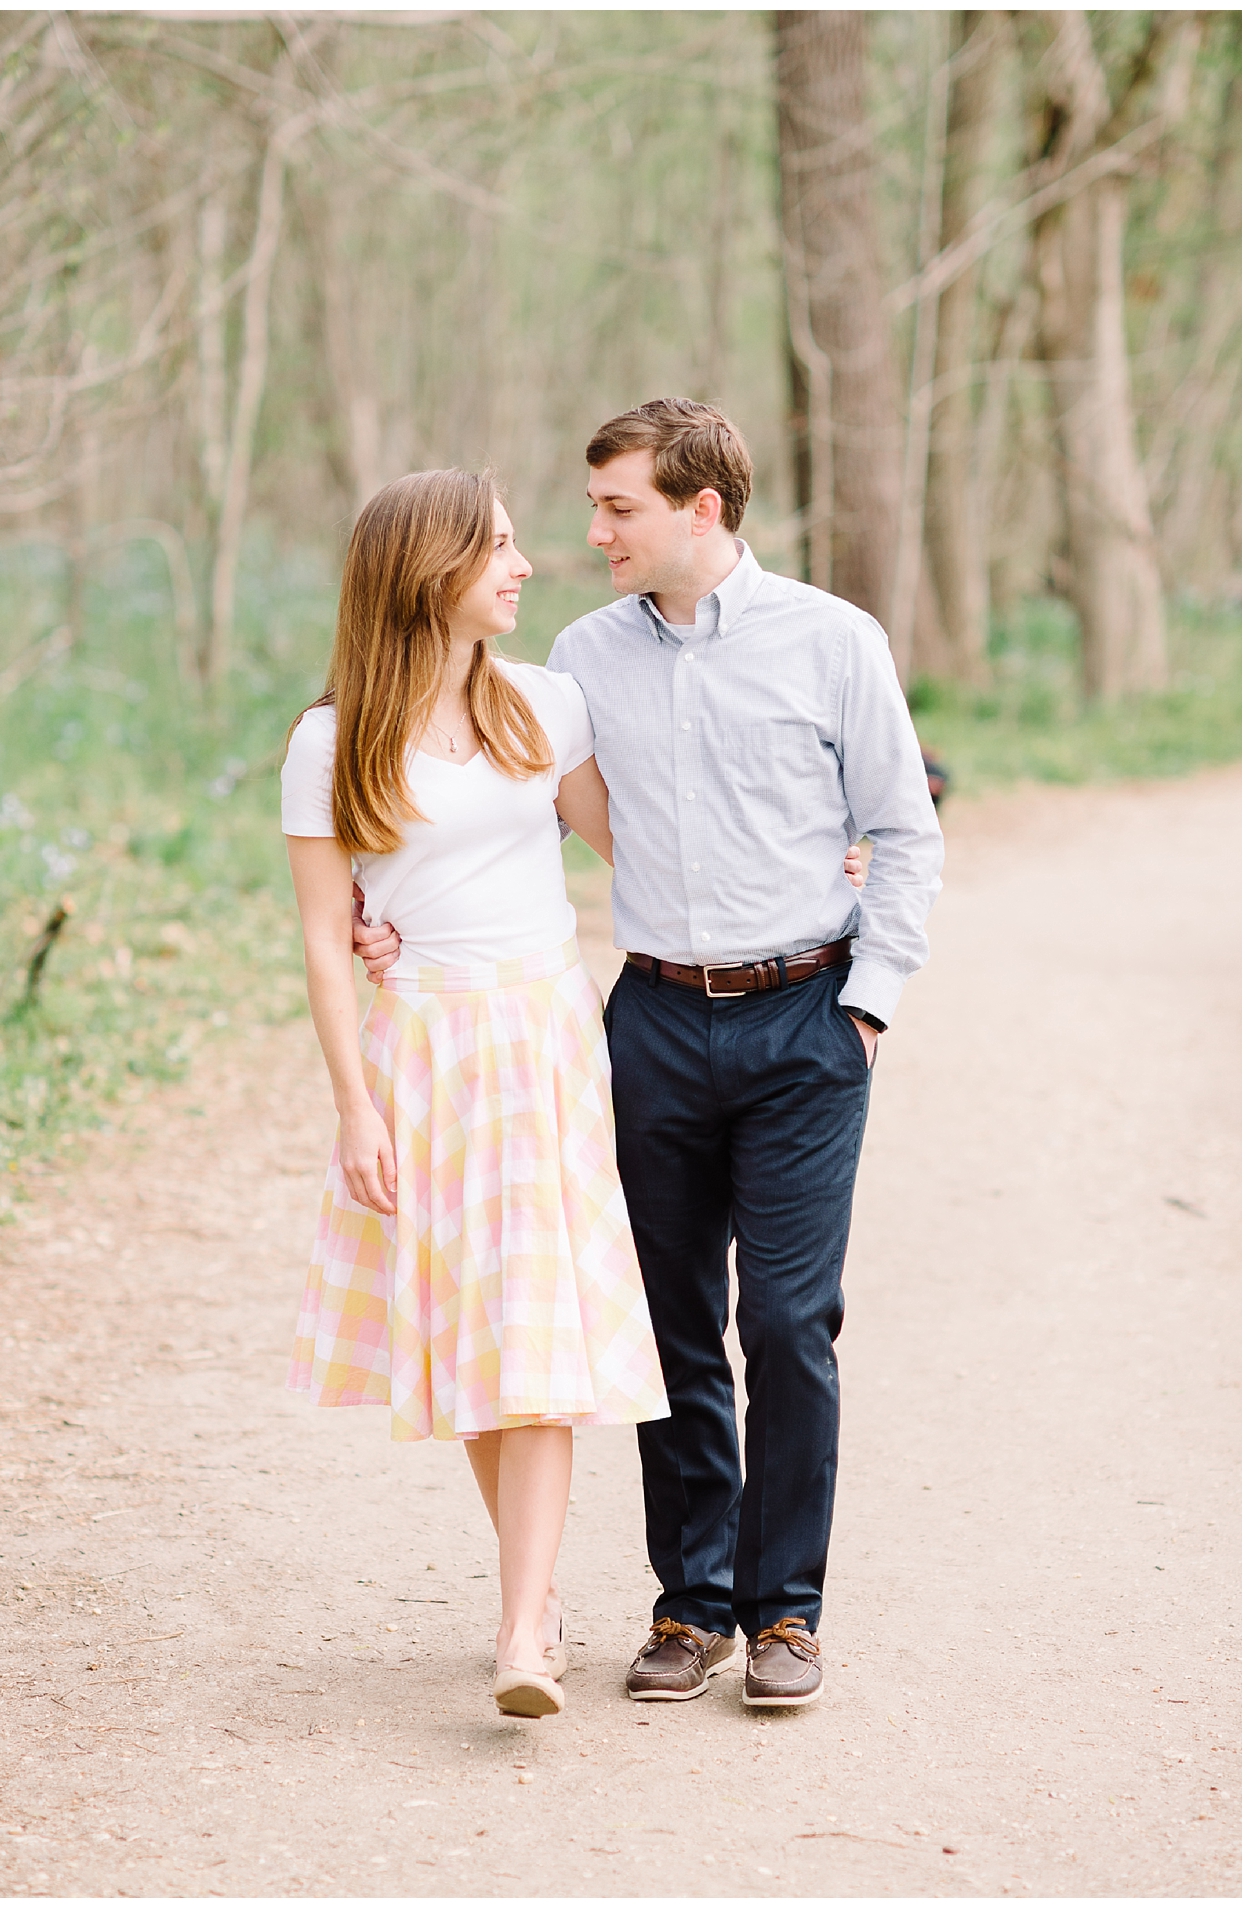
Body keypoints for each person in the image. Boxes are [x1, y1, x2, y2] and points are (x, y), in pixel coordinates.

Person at [359, 398, 942, 1710]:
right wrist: (383, 911)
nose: (592, 532)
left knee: (786, 1322)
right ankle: (689, 1608)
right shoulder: (574, 661)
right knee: (666, 1325)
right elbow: (501, 809)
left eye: (616, 507)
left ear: (700, 509)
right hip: (649, 1024)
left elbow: (900, 830)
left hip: (806, 1017)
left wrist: (867, 1002)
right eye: (590, 506)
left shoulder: (832, 643)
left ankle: (783, 1613)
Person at [281, 467, 670, 1720]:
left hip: (547, 1038)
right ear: (428, 572)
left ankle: (521, 1630)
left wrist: (800, 853)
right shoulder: (332, 741)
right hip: (427, 1053)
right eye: (496, 548)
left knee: (536, 1330)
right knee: (474, 1339)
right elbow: (324, 938)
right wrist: (355, 1108)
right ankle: (535, 1593)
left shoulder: (544, 709)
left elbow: (634, 847)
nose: (525, 564)